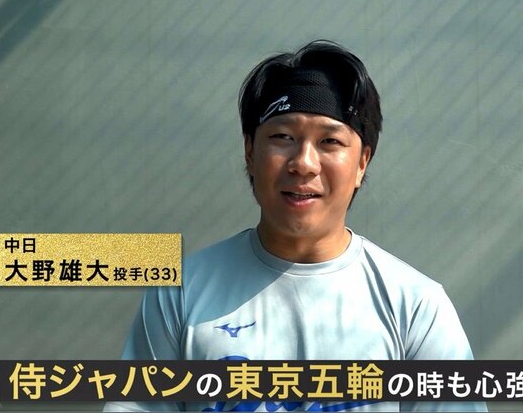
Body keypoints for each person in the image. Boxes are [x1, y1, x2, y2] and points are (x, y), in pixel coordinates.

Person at [106, 40, 485, 412]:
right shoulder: (181, 292)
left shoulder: (415, 305)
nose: (303, 163)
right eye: (283, 137)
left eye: (330, 141)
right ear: (250, 151)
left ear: (362, 163)